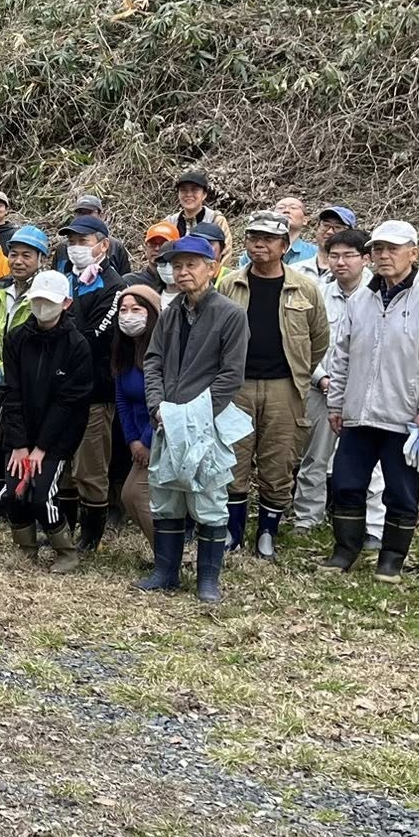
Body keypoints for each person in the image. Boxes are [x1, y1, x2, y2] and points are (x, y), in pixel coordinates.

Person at [324, 220, 419, 581]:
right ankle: (345, 549)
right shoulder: (359, 299)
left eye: (393, 249)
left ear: (412, 254)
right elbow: (341, 357)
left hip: (405, 418)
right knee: (346, 483)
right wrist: (337, 404)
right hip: (358, 414)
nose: (384, 256)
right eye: (379, 249)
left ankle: (392, 558)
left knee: (400, 491)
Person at [138, 235, 249, 604]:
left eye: (192, 265)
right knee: (166, 495)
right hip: (167, 419)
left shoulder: (230, 315)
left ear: (212, 268)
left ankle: (207, 580)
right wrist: (157, 406)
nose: (184, 272)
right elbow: (152, 360)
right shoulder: (170, 313)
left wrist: (197, 415)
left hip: (206, 421)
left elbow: (231, 375)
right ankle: (165, 572)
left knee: (209, 497)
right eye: (178, 265)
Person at [216, 209, 330, 560]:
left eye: (268, 239)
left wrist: (297, 372)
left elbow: (319, 339)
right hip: (238, 386)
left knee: (278, 461)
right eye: (253, 237)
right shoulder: (229, 284)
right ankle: (232, 532)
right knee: (233, 459)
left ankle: (267, 531)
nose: (259, 244)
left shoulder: (304, 287)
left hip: (284, 388)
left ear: (284, 245)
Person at [0, 270, 93, 573]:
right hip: (21, 431)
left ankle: (65, 550)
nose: (41, 306)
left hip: (58, 436)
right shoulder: (17, 338)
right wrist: (20, 444)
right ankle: (26, 548)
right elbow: (12, 392)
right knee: (12, 491)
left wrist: (42, 448)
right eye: (36, 299)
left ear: (66, 303)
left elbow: (68, 404)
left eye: (49, 301)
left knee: (41, 493)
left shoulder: (77, 345)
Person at [293, 228, 385, 544]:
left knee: (370, 462)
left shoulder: (381, 296)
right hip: (321, 388)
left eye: (348, 256)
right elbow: (303, 343)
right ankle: (307, 518)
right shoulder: (316, 293)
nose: (340, 262)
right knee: (314, 457)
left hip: (366, 393)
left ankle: (373, 526)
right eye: (334, 256)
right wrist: (321, 378)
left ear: (365, 258)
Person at [56, 214, 126, 561]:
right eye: (72, 242)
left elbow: (94, 337)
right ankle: (65, 527)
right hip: (63, 391)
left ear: (103, 245)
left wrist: (63, 329)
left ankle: (91, 534)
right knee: (66, 463)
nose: (76, 248)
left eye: (83, 241)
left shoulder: (112, 285)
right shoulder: (68, 279)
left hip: (96, 390)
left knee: (91, 465)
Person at [0, 225, 50, 516]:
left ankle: (20, 505)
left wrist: (13, 375)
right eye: (14, 255)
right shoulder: (1, 292)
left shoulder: (43, 294)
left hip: (26, 388)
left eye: (27, 256)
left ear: (40, 259)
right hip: (0, 388)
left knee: (18, 446)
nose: (19, 261)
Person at [110, 285, 163, 549]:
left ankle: (169, 555)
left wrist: (146, 441)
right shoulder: (124, 351)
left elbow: (163, 401)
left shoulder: (162, 352)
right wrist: (132, 440)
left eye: (136, 309)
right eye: (123, 310)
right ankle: (163, 553)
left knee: (137, 494)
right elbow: (122, 400)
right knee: (129, 496)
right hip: (139, 438)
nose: (128, 316)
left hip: (161, 435)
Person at [61, 196, 135, 273]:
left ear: (101, 216)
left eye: (89, 212)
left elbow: (124, 277)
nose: (84, 216)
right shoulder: (64, 247)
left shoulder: (115, 246)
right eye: (80, 212)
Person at [167, 169, 234, 251]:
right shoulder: (170, 222)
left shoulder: (215, 220)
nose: (188, 194)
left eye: (194, 190)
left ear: (204, 194)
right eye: (183, 190)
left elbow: (226, 251)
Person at [128, 222, 180, 298]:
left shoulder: (184, 280)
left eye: (163, 244)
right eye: (153, 244)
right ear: (146, 247)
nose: (157, 248)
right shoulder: (131, 282)